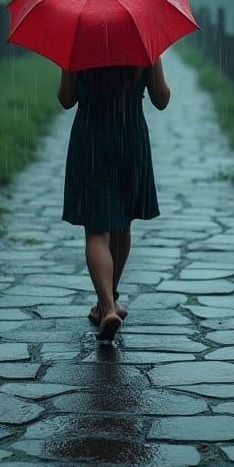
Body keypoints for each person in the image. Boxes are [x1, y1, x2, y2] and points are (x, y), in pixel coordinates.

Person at [58, 57, 171, 341]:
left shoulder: (79, 43)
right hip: (130, 139)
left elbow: (65, 99)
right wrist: (152, 57)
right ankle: (109, 301)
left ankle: (106, 305)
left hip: (91, 141)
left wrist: (71, 64)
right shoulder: (142, 46)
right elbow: (161, 99)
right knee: (122, 224)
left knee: (97, 232)